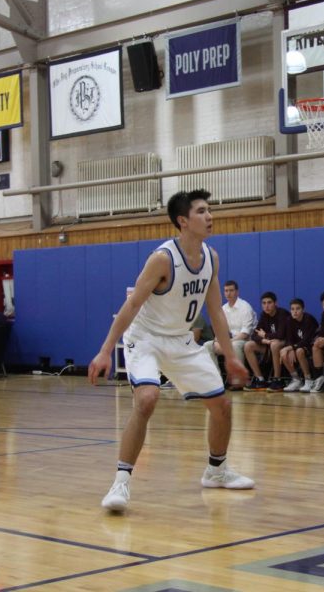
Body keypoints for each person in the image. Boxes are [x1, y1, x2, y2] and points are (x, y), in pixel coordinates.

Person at [88, 189, 253, 512]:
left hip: (180, 341)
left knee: (222, 405)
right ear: (183, 221)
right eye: (202, 211)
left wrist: (231, 356)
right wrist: (106, 350)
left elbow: (216, 310)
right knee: (147, 399)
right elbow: (132, 304)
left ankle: (216, 471)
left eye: (210, 210)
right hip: (146, 338)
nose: (210, 216)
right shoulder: (162, 259)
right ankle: (120, 482)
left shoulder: (211, 258)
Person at [210, 280, 255, 389]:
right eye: (226, 291)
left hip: (245, 340)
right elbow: (220, 329)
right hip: (229, 340)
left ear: (237, 292)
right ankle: (216, 380)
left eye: (231, 290)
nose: (228, 293)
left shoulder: (245, 307)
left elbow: (245, 334)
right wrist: (217, 341)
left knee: (234, 346)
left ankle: (238, 381)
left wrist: (227, 342)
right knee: (208, 346)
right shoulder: (224, 309)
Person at [243, 292, 290, 391]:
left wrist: (265, 335)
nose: (266, 306)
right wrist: (264, 341)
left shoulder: (282, 314)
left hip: (285, 344)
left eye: (269, 303)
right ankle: (260, 379)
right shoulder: (264, 315)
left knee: (274, 344)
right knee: (248, 345)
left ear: (275, 303)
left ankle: (277, 379)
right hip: (269, 343)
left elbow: (281, 335)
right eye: (264, 303)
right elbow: (254, 334)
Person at [280, 298, 319, 391]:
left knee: (299, 351)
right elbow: (289, 338)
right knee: (283, 353)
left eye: (298, 309)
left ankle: (308, 380)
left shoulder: (309, 319)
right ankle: (296, 380)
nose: (295, 311)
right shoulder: (289, 320)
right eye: (292, 309)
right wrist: (291, 349)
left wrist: (292, 347)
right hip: (297, 346)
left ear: (303, 309)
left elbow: (307, 340)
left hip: (311, 346)